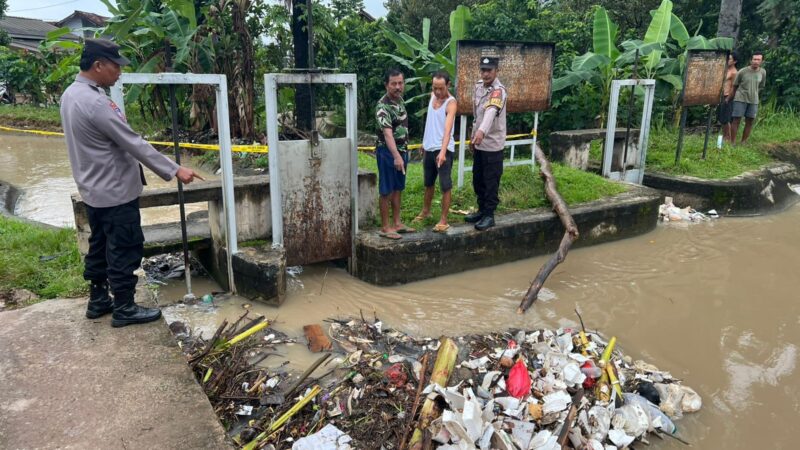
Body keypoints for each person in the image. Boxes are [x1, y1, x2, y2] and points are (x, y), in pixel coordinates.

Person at [60, 39, 203, 327]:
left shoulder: (70, 95)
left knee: (99, 245)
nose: (119, 72)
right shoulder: (96, 102)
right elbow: (133, 143)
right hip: (114, 191)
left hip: (93, 190)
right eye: (115, 66)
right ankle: (124, 307)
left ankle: (98, 299)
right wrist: (175, 169)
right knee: (125, 246)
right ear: (98, 65)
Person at [466, 56, 507, 231]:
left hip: (492, 145)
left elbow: (490, 112)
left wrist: (482, 132)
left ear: (496, 71)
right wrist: (473, 135)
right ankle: (481, 210)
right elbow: (477, 116)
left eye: (489, 70)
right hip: (479, 144)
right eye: (483, 70)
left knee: (491, 181)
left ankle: (489, 215)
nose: (485, 73)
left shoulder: (498, 91)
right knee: (478, 179)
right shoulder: (478, 87)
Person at [415, 71, 457, 232]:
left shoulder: (451, 103)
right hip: (429, 147)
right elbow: (430, 121)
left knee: (445, 185)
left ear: (448, 85)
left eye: (441, 88)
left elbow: (447, 130)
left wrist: (443, 151)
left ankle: (444, 220)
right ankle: (425, 211)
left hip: (443, 149)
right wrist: (424, 142)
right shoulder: (432, 96)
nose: (438, 92)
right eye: (435, 88)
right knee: (428, 183)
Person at [375, 68, 413, 240]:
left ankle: (397, 223)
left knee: (398, 188)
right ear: (386, 85)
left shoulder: (400, 101)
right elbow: (387, 134)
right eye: (394, 84)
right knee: (386, 190)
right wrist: (396, 156)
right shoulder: (382, 106)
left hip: (402, 150)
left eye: (400, 83)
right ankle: (385, 227)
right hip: (387, 153)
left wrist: (403, 152)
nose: (398, 87)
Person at [730, 51, 766, 145]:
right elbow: (735, 85)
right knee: (736, 120)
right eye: (754, 59)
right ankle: (732, 142)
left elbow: (761, 86)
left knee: (750, 121)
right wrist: (731, 97)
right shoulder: (742, 71)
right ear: (751, 60)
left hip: (753, 100)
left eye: (758, 60)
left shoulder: (763, 72)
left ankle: (743, 142)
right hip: (740, 98)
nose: (756, 61)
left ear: (762, 61)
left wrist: (755, 93)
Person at [718, 51, 738, 143]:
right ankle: (725, 136)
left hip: (728, 96)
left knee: (727, 118)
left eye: (729, 59)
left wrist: (728, 98)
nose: (727, 61)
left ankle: (728, 137)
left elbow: (733, 87)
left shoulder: (734, 72)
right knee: (722, 118)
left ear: (734, 61)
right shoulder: (725, 69)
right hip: (721, 95)